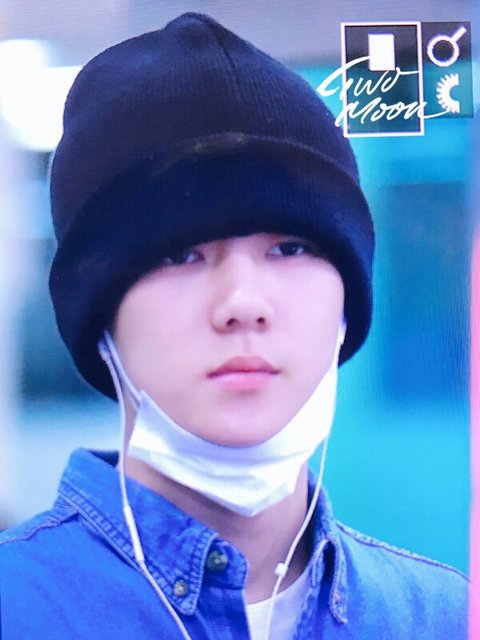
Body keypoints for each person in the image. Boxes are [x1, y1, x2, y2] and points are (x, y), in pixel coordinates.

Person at [0, 11, 467, 640]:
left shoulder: (438, 617)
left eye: (292, 247)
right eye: (180, 254)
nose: (243, 302)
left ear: (346, 304)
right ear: (100, 315)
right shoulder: (19, 609)